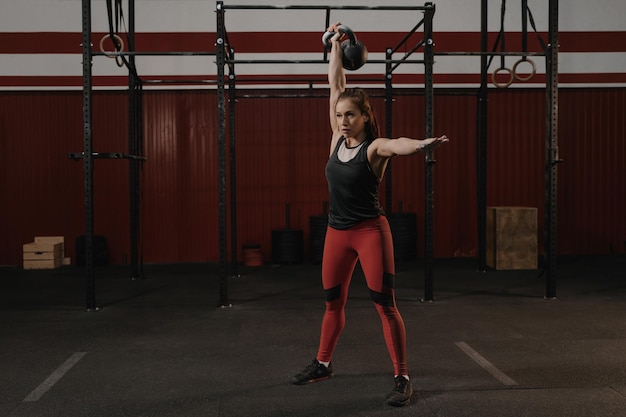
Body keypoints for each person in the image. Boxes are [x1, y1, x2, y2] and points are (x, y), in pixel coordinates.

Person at [291, 23, 449, 407]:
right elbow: (335, 86)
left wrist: (423, 144)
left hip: (369, 233)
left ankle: (402, 376)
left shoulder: (374, 147)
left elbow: (399, 144)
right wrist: (335, 45)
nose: (343, 120)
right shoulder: (336, 139)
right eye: (340, 115)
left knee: (385, 305)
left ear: (364, 117)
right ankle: (323, 363)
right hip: (336, 233)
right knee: (332, 303)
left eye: (350, 116)